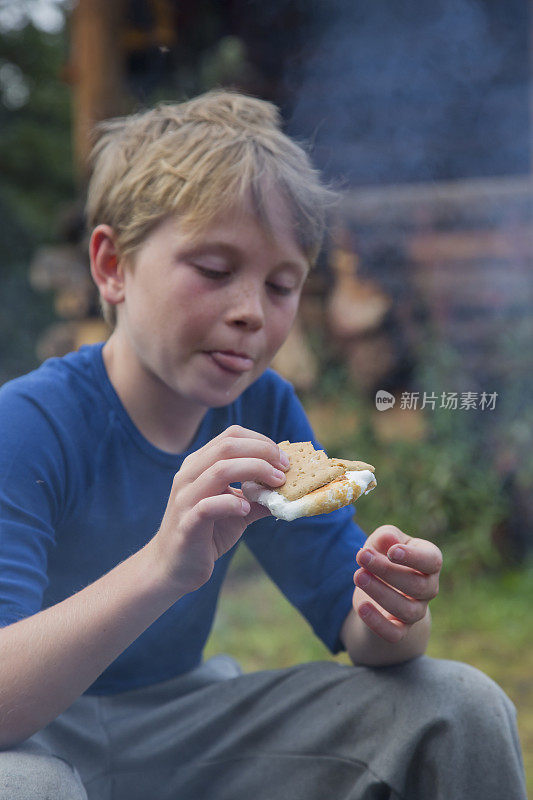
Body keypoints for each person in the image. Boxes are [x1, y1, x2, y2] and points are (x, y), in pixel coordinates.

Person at [0, 90, 526, 800]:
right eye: (214, 271)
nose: (250, 312)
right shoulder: (30, 423)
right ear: (111, 266)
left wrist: (394, 606)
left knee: (455, 703)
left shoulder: (261, 408)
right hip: (36, 735)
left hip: (191, 724)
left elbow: (363, 634)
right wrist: (163, 567)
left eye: (282, 285)